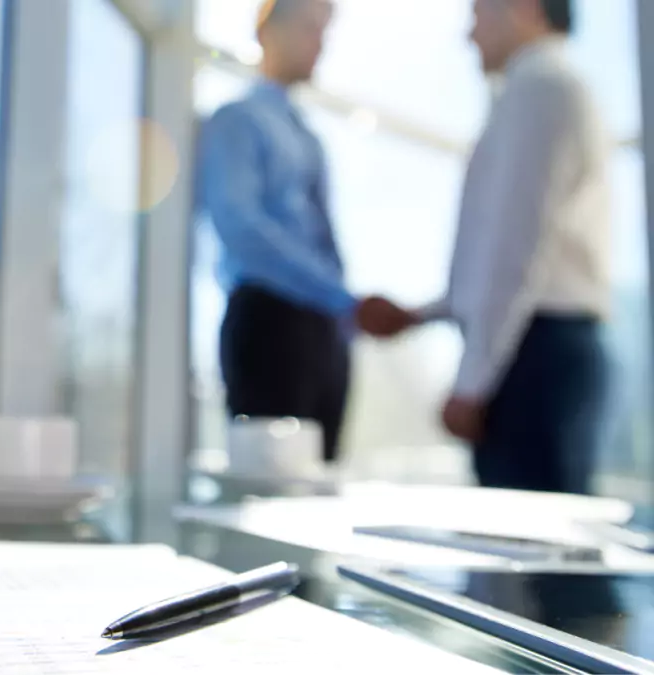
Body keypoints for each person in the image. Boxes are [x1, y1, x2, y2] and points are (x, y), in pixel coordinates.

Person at [369, 0, 611, 495]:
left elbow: (516, 251)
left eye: (478, 13)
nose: (469, 34)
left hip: (534, 355)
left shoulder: (539, 88)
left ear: (523, 8)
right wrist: (423, 314)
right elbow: (509, 251)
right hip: (534, 345)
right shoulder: (539, 89)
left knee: (536, 552)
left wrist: (472, 384)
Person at [197, 0, 400, 463]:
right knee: (270, 482)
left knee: (318, 478)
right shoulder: (238, 121)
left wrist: (342, 311)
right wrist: (342, 299)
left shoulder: (308, 137)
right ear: (269, 29)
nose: (320, 44)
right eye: (311, 29)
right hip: (270, 322)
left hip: (325, 329)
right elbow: (240, 226)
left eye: (324, 31)